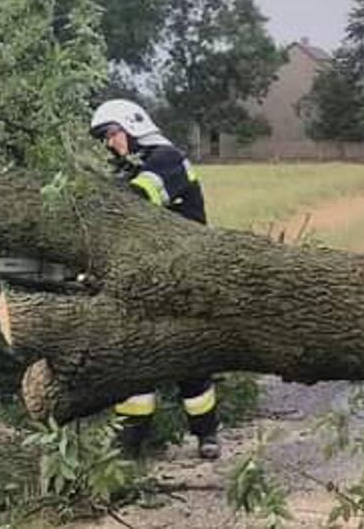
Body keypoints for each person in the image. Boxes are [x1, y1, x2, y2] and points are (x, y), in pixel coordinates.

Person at [88, 98, 221, 460]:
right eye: (102, 138)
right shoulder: (128, 168)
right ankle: (129, 443)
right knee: (135, 357)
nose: (107, 144)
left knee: (190, 359)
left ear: (133, 126)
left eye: (110, 134)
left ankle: (207, 435)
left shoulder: (166, 159)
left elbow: (138, 199)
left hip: (186, 272)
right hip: (148, 274)